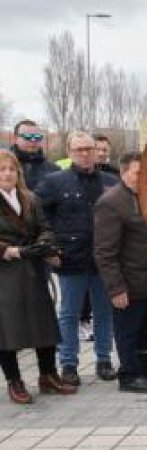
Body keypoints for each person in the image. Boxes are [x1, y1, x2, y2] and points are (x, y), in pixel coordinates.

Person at [36, 131, 119, 385]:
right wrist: (50, 249)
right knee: (69, 314)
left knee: (104, 312)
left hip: (103, 259)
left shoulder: (110, 181)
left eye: (89, 149)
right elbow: (39, 217)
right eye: (79, 149)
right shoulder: (54, 182)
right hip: (70, 259)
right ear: (69, 152)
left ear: (96, 151)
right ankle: (69, 364)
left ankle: (104, 360)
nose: (85, 154)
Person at [93, 152, 147, 394]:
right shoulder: (111, 203)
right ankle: (129, 374)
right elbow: (104, 252)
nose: (144, 178)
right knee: (129, 331)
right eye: (138, 173)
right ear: (124, 173)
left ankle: (145, 367)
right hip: (130, 281)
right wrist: (116, 288)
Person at [0, 149, 76, 404]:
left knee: (43, 322)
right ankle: (15, 380)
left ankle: (48, 375)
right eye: (2, 169)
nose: (8, 174)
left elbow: (45, 226)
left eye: (11, 169)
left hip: (33, 267)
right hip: (6, 271)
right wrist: (6, 250)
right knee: (8, 328)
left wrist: (44, 245)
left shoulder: (29, 197)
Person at [10, 120, 59, 192]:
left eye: (37, 137)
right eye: (27, 137)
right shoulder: (4, 166)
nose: (33, 140)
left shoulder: (53, 170)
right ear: (15, 139)